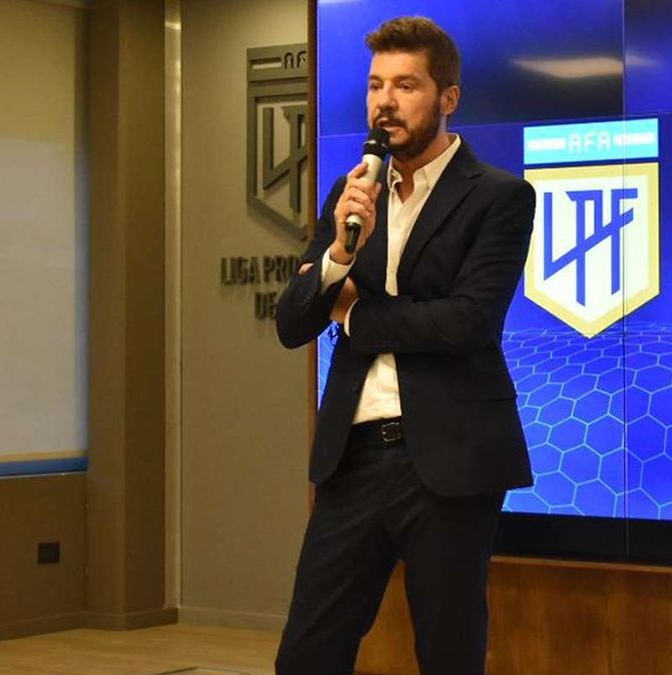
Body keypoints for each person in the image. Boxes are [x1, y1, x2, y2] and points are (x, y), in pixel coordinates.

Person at [274, 16, 535, 675]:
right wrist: (339, 255)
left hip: (450, 459)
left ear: (448, 97)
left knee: (448, 653)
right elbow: (292, 323)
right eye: (375, 86)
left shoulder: (499, 197)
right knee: (307, 652)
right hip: (353, 457)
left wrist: (356, 315)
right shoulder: (350, 195)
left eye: (406, 86)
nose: (384, 102)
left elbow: (467, 322)